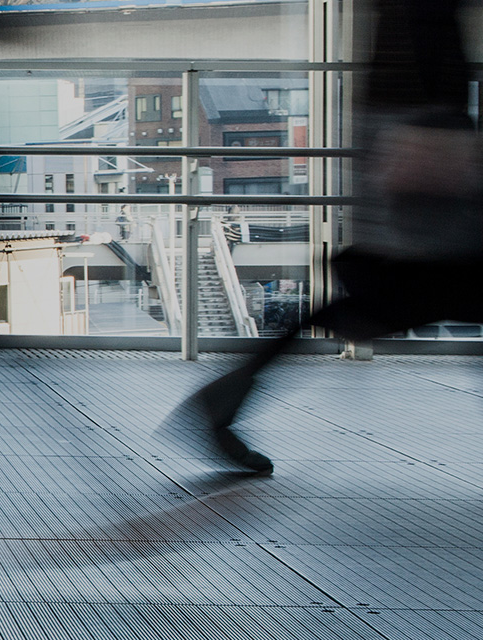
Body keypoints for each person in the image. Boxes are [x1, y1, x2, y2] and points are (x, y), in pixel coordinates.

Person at [181, 0, 481, 475]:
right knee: (417, 290)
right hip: (423, 126)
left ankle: (230, 394)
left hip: (410, 122)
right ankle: (229, 394)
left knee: (397, 293)